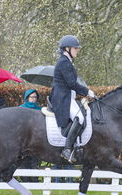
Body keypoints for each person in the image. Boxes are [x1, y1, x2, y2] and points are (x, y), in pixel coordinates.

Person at [50, 35, 95, 163]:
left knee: (83, 115)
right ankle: (67, 149)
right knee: (80, 118)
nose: (77, 50)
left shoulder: (67, 62)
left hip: (68, 97)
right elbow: (71, 84)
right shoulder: (64, 62)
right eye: (76, 48)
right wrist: (87, 92)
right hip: (63, 99)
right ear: (67, 49)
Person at [18, 89, 41, 182]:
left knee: (34, 161)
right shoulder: (20, 109)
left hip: (36, 139)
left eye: (35, 97)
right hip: (24, 139)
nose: (33, 99)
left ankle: (34, 180)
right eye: (31, 97)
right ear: (27, 98)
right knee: (24, 160)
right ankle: (25, 180)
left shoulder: (40, 110)